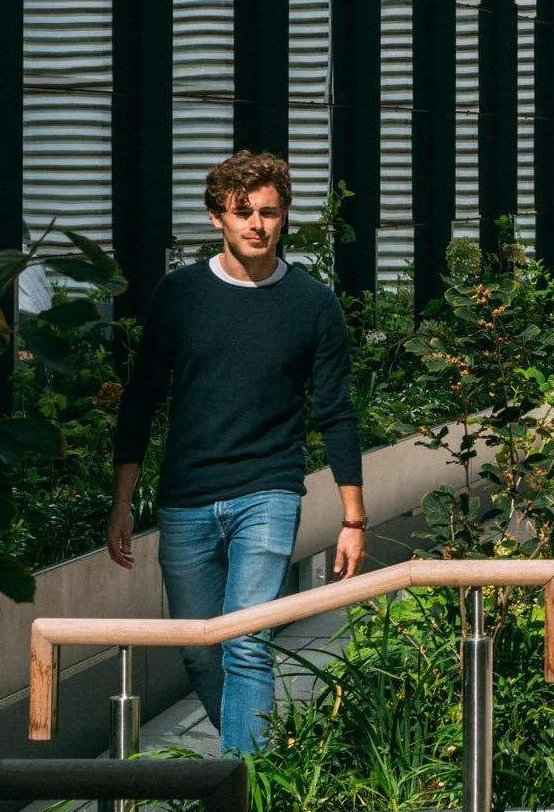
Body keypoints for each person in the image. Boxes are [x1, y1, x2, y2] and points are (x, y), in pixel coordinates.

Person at [108, 151, 366, 755]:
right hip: (186, 498)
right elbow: (141, 398)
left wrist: (353, 518)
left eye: (269, 212)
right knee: (199, 649)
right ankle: (259, 767)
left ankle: (245, 798)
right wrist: (122, 502)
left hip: (269, 492)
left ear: (285, 219)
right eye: (242, 211)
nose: (257, 224)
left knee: (246, 640)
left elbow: (336, 412)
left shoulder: (312, 304)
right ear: (216, 218)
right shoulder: (179, 296)